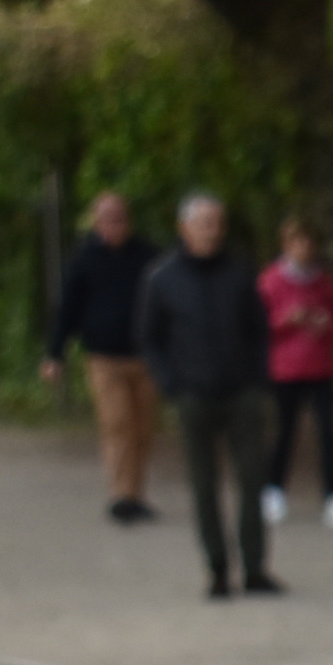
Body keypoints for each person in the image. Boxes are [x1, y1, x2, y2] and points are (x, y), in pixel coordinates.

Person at [137, 192, 282, 600]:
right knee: (204, 486)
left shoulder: (239, 273)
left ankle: (255, 567)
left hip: (242, 392)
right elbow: (150, 339)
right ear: (184, 228)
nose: (211, 231)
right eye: (203, 223)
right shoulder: (163, 278)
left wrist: (259, 377)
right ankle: (217, 568)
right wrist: (171, 384)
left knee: (252, 479)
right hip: (193, 394)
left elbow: (259, 329)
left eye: (216, 223)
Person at [41, 191, 163, 524]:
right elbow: (68, 310)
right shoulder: (83, 260)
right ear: (97, 223)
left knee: (143, 429)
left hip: (144, 358)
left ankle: (136, 494)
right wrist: (55, 354)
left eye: (119, 218)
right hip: (104, 359)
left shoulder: (148, 257)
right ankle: (121, 495)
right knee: (117, 424)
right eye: (108, 220)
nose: (115, 225)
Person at [258, 215, 333, 528]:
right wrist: (286, 321)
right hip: (285, 369)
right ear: (286, 245)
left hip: (321, 367)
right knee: (284, 432)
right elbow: (258, 327)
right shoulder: (271, 281)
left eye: (308, 242)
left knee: (328, 432)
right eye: (297, 242)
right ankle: (273, 489)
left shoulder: (324, 283)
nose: (303, 248)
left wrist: (326, 324)